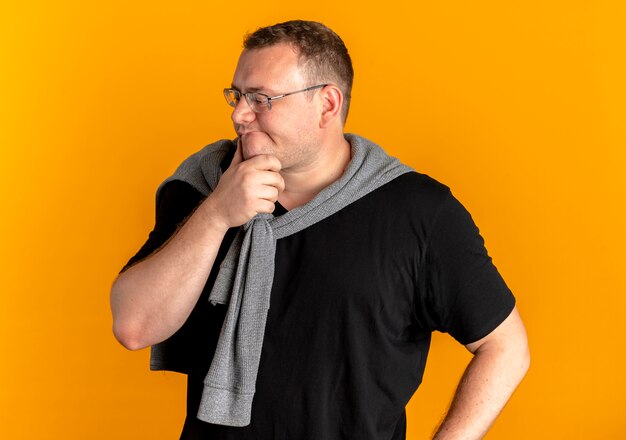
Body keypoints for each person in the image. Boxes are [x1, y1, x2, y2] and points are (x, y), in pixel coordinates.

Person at [110, 20, 529, 440]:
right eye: (237, 96)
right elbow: (134, 325)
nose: (239, 115)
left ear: (328, 104)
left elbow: (505, 348)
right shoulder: (202, 187)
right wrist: (218, 212)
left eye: (261, 99)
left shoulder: (418, 210)